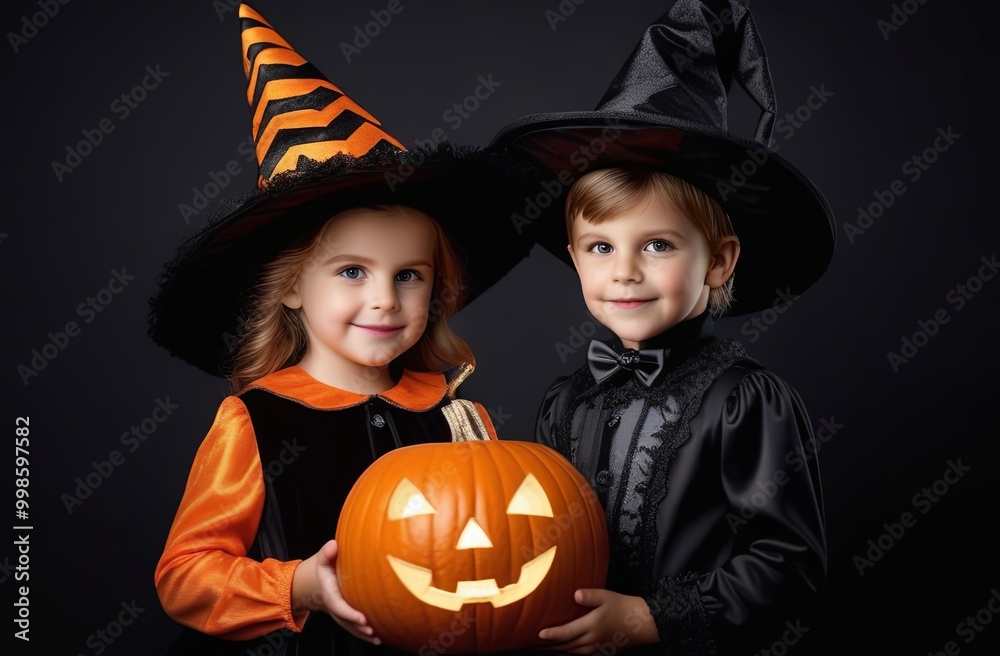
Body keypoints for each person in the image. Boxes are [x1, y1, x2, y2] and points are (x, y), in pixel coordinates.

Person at [148, 4, 535, 655]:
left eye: (409, 275)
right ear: (293, 287)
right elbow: (185, 578)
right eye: (353, 271)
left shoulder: (459, 416)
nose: (384, 300)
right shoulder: (256, 422)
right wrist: (297, 585)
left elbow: (497, 549)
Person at [490, 2, 835, 654]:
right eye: (600, 248)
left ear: (719, 261)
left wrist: (650, 618)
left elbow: (788, 564)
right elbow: (539, 540)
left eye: (657, 246)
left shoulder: (744, 403)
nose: (624, 272)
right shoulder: (564, 403)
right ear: (574, 258)